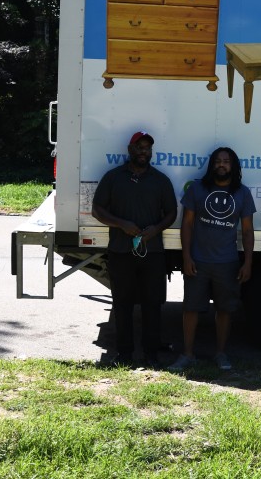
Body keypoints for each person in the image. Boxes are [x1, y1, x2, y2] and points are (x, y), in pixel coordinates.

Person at [92, 131, 178, 367]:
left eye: (147, 148)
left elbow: (172, 213)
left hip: (153, 253)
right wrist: (122, 224)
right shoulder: (113, 178)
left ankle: (151, 354)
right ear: (130, 150)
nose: (143, 152)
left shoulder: (160, 180)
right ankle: (125, 354)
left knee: (152, 304)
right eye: (139, 147)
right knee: (122, 303)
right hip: (120, 251)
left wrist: (156, 229)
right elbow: (97, 210)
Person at [169, 147, 255, 371]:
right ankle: (187, 354)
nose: (221, 165)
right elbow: (186, 224)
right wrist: (186, 256)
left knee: (225, 310)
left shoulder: (243, 193)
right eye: (218, 161)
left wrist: (248, 262)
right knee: (191, 308)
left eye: (226, 161)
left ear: (233, 166)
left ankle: (221, 354)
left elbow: (247, 231)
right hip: (198, 260)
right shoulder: (197, 189)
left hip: (227, 263)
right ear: (212, 165)